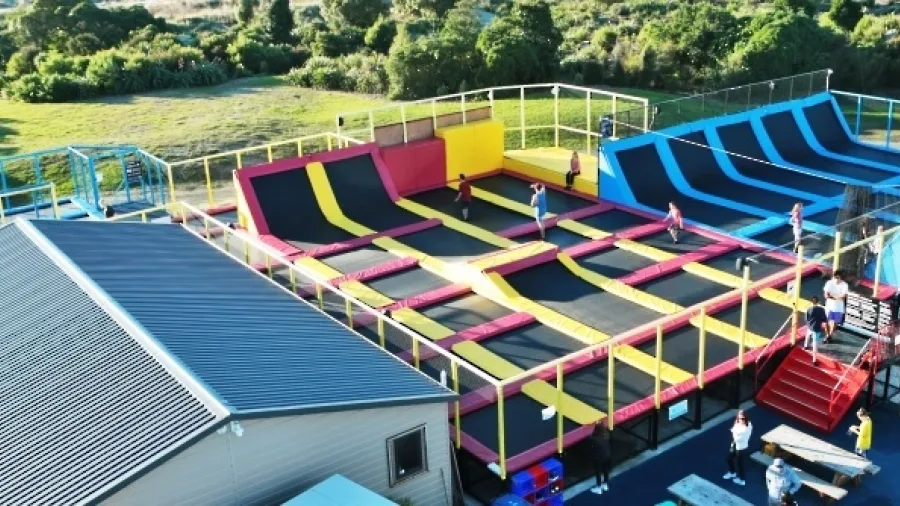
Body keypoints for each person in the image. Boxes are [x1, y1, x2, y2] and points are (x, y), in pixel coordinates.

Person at [723, 410, 752, 486]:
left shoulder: (746, 428)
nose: (740, 420)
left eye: (742, 418)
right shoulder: (738, 423)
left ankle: (742, 480)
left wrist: (734, 432)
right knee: (728, 459)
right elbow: (734, 430)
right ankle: (732, 472)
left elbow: (737, 438)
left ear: (745, 418)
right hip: (735, 445)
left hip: (741, 448)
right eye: (739, 418)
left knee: (740, 464)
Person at [823, 270, 849, 343]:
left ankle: (829, 336)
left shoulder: (845, 285)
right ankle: (827, 335)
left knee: (834, 323)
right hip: (829, 306)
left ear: (841, 278)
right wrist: (837, 297)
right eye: (835, 277)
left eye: (838, 278)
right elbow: (826, 295)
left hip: (838, 307)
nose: (836, 279)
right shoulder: (829, 283)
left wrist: (831, 295)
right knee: (826, 322)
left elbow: (842, 297)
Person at [589, 422, 612, 495]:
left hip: (599, 458)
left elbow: (590, 439)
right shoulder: (607, 435)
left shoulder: (594, 438)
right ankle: (605, 484)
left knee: (598, 472)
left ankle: (599, 488)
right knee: (605, 470)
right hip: (607, 456)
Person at [805, 295, 828, 365]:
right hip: (817, 328)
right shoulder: (821, 310)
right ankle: (814, 360)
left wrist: (809, 324)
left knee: (808, 335)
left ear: (812, 302)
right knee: (815, 344)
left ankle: (805, 346)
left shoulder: (809, 309)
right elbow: (824, 319)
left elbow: (806, 319)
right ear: (818, 302)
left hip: (810, 326)